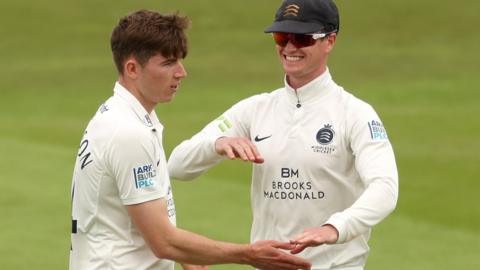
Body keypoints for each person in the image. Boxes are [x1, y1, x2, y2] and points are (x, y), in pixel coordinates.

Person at [69, 9, 311, 270]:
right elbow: (163, 241)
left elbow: (129, 212)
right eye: (168, 62)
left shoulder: (114, 114)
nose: (181, 72)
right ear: (132, 68)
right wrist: (249, 254)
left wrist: (184, 254)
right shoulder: (129, 133)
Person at [168, 0, 399, 269]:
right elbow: (177, 165)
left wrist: (334, 228)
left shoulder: (355, 113)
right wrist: (218, 144)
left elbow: (385, 188)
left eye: (302, 38)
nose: (289, 47)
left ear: (330, 40)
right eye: (282, 36)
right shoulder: (255, 109)